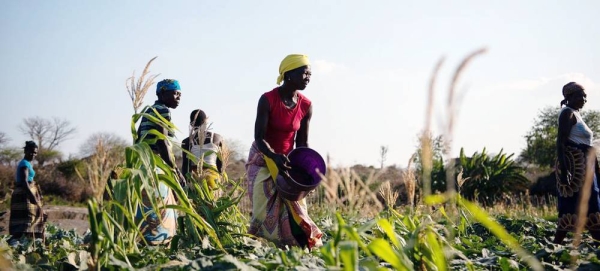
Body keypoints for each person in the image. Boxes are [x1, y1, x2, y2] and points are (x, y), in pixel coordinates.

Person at [246, 54, 323, 249]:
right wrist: (273, 156)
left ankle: (297, 249)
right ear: (288, 74)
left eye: (310, 74)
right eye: (305, 73)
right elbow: (259, 137)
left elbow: (302, 142)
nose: (308, 78)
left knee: (295, 209)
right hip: (263, 158)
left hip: (288, 161)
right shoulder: (268, 99)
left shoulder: (306, 105)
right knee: (263, 210)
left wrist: (303, 170)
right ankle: (263, 250)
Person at [136, 78, 185, 245]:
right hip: (155, 164)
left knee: (144, 203)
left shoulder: (148, 110)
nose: (178, 97)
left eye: (180, 94)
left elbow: (138, 138)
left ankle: (140, 238)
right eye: (175, 93)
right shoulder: (162, 110)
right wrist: (174, 170)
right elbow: (162, 142)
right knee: (158, 204)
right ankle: (156, 241)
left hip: (142, 163)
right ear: (163, 93)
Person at [554, 82, 600, 244]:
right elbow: (560, 143)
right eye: (581, 95)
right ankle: (555, 246)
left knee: (589, 202)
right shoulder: (567, 114)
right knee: (578, 203)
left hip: (585, 167)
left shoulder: (576, 114)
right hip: (575, 168)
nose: (585, 99)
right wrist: (564, 170)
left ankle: (556, 245)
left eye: (585, 96)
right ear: (569, 97)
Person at [9, 141, 46, 243]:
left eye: (35, 153)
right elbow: (24, 181)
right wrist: (32, 197)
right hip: (24, 194)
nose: (33, 154)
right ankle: (18, 242)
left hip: (27, 192)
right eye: (31, 152)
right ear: (25, 151)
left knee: (33, 217)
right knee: (26, 219)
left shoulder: (28, 163)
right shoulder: (24, 164)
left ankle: (29, 241)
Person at [181, 109, 224, 190]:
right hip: (212, 178)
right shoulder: (217, 138)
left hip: (195, 180)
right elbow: (220, 165)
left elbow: (185, 166)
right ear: (206, 122)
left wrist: (185, 184)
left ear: (191, 124)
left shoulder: (186, 141)